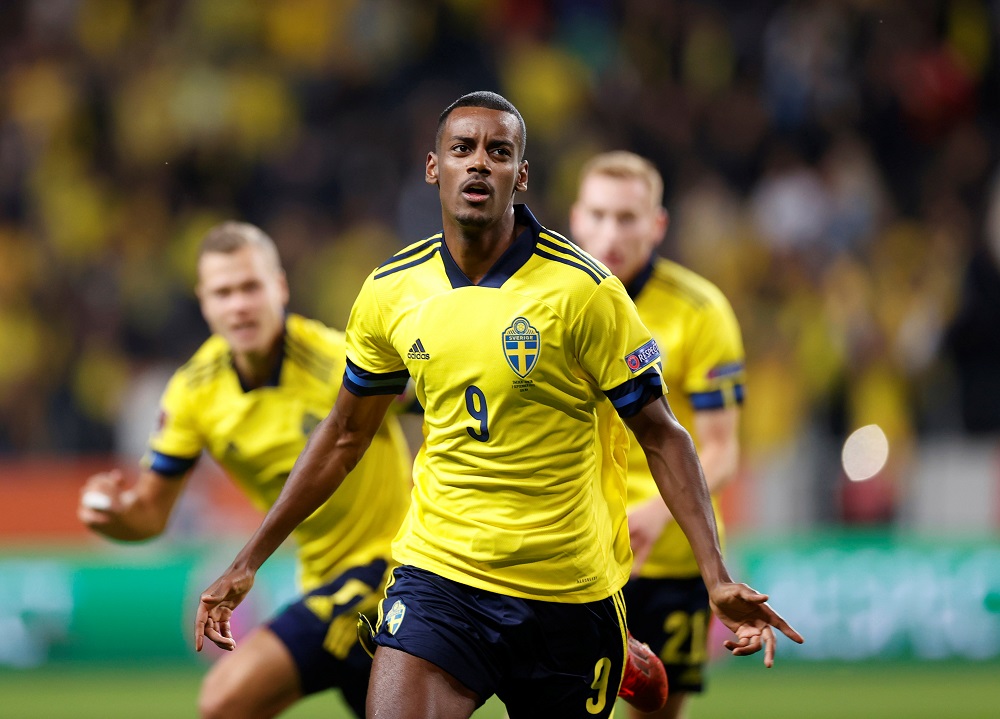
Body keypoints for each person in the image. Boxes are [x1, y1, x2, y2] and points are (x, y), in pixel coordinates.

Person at [195, 91, 803, 719]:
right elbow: (345, 436)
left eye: (498, 151)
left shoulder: (586, 292)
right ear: (434, 168)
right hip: (440, 576)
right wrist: (247, 563)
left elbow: (663, 436)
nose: (479, 164)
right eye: (462, 149)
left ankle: (616, 647)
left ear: (521, 174)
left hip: (567, 594)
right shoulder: (390, 293)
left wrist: (715, 576)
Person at [78, 221, 412, 719]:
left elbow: (436, 398)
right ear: (204, 302)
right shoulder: (194, 392)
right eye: (223, 292)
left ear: (279, 287)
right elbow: (150, 514)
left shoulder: (336, 359)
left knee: (224, 700)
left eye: (251, 287)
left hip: (389, 571)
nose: (239, 305)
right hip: (320, 578)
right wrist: (111, 516)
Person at [571, 151, 746, 719]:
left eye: (627, 218)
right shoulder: (548, 304)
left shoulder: (701, 311)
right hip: (576, 555)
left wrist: (656, 513)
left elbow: (721, 449)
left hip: (669, 560)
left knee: (657, 712)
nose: (610, 233)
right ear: (575, 218)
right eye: (598, 215)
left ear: (657, 224)